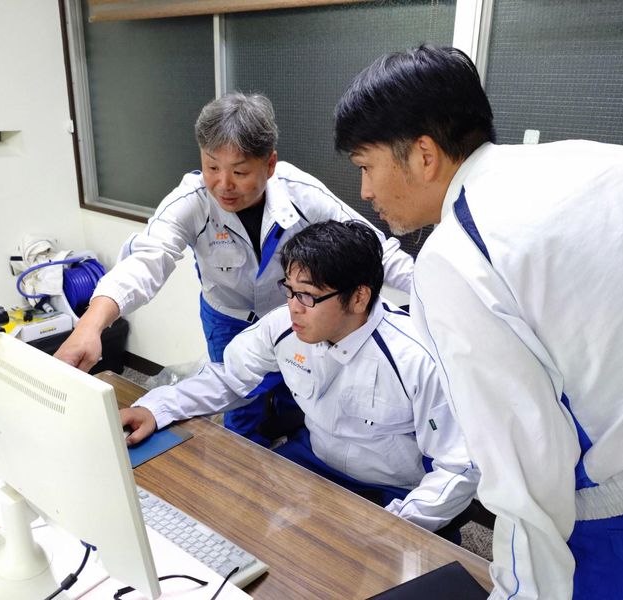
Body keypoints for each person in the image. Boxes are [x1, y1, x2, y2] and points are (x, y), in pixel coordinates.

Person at [333, 44, 623, 599]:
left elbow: (525, 472)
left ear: (424, 155)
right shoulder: (601, 158)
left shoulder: (458, 257)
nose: (365, 192)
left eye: (367, 166)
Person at [55, 92, 414, 446]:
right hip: (226, 317)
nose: (223, 185)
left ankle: (299, 452)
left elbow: (372, 249)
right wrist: (90, 326)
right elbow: (146, 260)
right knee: (236, 402)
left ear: (270, 165)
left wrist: (433, 292)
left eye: (240, 172)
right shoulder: (192, 201)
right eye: (212, 167)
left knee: (301, 392)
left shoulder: (301, 194)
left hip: (292, 315)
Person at [121, 220, 478, 533]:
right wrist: (158, 408)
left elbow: (459, 466)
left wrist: (400, 524)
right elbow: (229, 376)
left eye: (307, 295)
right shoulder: (284, 326)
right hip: (314, 462)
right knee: (230, 520)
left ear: (359, 298)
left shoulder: (417, 358)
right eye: (289, 290)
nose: (293, 306)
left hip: (392, 489)